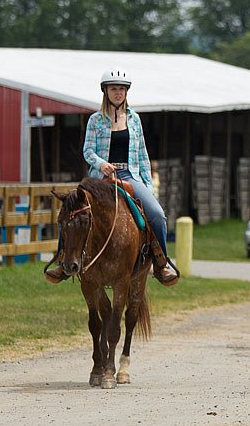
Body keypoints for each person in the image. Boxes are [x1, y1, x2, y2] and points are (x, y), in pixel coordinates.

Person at [45, 67, 179, 286]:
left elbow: (143, 154)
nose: (118, 93)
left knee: (157, 214)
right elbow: (88, 151)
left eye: (122, 89)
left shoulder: (135, 120)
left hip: (130, 174)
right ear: (105, 91)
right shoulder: (95, 120)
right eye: (114, 89)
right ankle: (62, 261)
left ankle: (161, 264)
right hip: (100, 178)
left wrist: (148, 187)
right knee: (70, 209)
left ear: (127, 92)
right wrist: (101, 164)